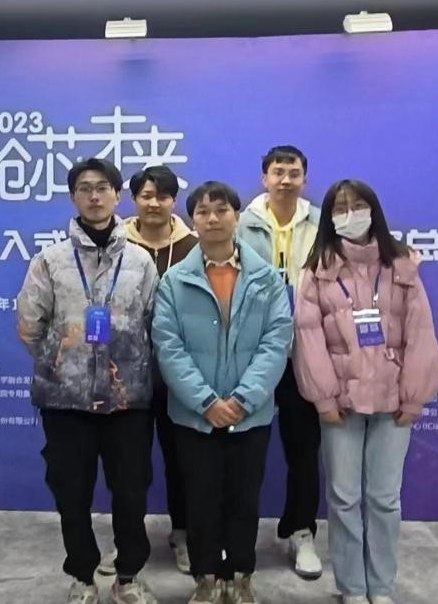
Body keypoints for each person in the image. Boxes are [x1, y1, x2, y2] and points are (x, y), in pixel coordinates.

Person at [17, 158, 162, 604]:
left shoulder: (140, 260)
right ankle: (82, 577)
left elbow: (154, 323)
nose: (94, 196)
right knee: (71, 494)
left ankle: (128, 577)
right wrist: (64, 364)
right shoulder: (50, 260)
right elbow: (29, 325)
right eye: (84, 188)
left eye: (103, 187)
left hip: (128, 400)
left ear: (118, 195)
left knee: (131, 494)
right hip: (66, 402)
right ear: (73, 197)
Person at [291, 179, 438, 604]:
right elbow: (307, 336)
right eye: (340, 208)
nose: (350, 215)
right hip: (340, 403)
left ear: (374, 210)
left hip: (394, 401)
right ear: (329, 218)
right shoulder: (318, 269)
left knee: (384, 499)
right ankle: (353, 588)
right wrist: (324, 397)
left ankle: (382, 587)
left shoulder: (401, 265)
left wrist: (415, 397)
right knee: (343, 498)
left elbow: (421, 333)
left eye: (358, 205)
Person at [153, 181, 293, 604]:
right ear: (192, 220)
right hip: (194, 416)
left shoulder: (266, 278)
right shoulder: (174, 281)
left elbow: (277, 341)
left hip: (250, 414)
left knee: (244, 500)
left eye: (221, 210)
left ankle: (241, 576)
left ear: (237, 216)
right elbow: (168, 346)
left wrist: (244, 399)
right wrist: (206, 402)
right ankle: (206, 578)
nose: (212, 219)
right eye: (202, 211)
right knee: (200, 500)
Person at [98, 166, 199, 577]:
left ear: (174, 201)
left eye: (162, 196)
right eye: (145, 195)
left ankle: (185, 534)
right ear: (133, 199)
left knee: (183, 460)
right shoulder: (114, 244)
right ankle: (127, 544)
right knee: (129, 466)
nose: (154, 203)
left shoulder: (194, 246)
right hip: (125, 375)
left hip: (181, 374)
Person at [235, 145, 324, 580]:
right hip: (252, 355)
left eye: (294, 172)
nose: (285, 180)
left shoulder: (324, 224)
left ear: (304, 178)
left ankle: (300, 530)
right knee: (242, 452)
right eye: (278, 172)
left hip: (305, 353)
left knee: (304, 451)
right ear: (264, 178)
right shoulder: (241, 223)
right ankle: (236, 535)